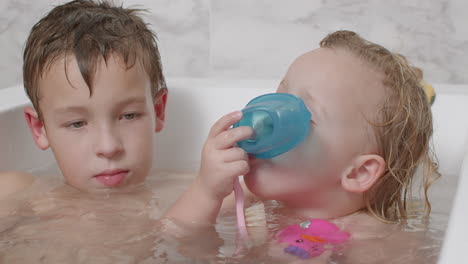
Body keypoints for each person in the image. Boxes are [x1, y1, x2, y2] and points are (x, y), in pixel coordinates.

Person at [164, 30, 440, 261]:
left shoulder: (367, 238)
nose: (267, 119)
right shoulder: (252, 194)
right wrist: (206, 189)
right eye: (279, 96)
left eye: (301, 114)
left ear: (358, 172)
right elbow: (169, 237)